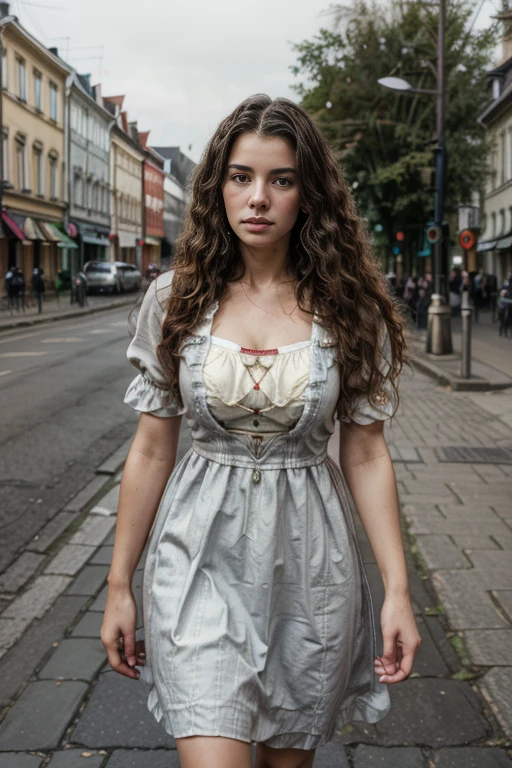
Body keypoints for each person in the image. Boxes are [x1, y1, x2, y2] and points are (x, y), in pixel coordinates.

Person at [101, 94, 421, 768]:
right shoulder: (175, 298)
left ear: (308, 194)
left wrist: (396, 590)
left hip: (311, 563)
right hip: (197, 556)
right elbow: (153, 445)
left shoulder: (347, 306)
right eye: (242, 177)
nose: (258, 198)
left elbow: (365, 453)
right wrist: (119, 584)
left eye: (281, 179)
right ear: (218, 186)